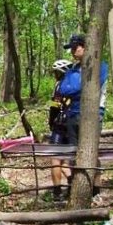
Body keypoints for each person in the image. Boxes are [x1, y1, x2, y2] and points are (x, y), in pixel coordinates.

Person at [59, 34, 109, 197]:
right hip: (72, 114)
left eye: (75, 48)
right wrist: (79, 86)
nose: (73, 52)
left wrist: (78, 87)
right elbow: (63, 89)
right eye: (71, 49)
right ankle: (75, 187)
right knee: (74, 153)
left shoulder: (99, 67)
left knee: (91, 151)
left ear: (85, 47)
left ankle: (95, 190)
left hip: (93, 115)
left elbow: (91, 87)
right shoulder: (72, 70)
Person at [48, 59, 73, 201]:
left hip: (59, 126)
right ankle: (71, 181)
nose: (55, 75)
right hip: (72, 126)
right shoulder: (77, 85)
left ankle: (57, 192)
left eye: (57, 72)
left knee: (56, 159)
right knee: (67, 159)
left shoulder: (59, 86)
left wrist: (51, 122)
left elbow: (54, 106)